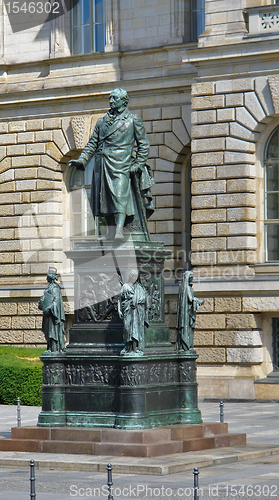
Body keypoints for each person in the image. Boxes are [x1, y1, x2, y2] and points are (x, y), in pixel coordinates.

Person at [69, 88, 153, 240]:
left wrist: (138, 164)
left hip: (121, 163)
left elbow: (144, 144)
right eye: (110, 98)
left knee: (119, 195)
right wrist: (82, 160)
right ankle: (109, 232)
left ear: (124, 101)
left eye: (115, 98)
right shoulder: (102, 121)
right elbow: (92, 144)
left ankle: (119, 229)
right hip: (102, 164)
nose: (111, 101)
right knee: (103, 198)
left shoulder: (133, 120)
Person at [118, 269, 149, 355]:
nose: (134, 277)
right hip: (127, 310)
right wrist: (119, 310)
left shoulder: (139, 287)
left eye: (136, 276)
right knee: (127, 328)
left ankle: (136, 348)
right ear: (130, 276)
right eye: (133, 276)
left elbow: (144, 299)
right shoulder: (125, 286)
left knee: (136, 330)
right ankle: (127, 347)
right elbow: (120, 299)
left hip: (138, 312)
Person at [38, 267, 65, 353]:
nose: (46, 278)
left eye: (47, 276)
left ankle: (54, 349)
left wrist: (49, 308)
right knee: (48, 332)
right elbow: (47, 299)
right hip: (48, 314)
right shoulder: (49, 287)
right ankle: (49, 348)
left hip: (53, 315)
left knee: (52, 332)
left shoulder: (55, 288)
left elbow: (56, 302)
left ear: (50, 277)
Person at [176, 271, 204, 351]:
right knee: (187, 328)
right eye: (191, 277)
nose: (192, 279)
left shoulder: (183, 287)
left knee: (187, 328)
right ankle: (186, 346)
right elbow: (191, 299)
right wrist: (198, 301)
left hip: (186, 313)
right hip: (186, 314)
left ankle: (185, 346)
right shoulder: (186, 287)